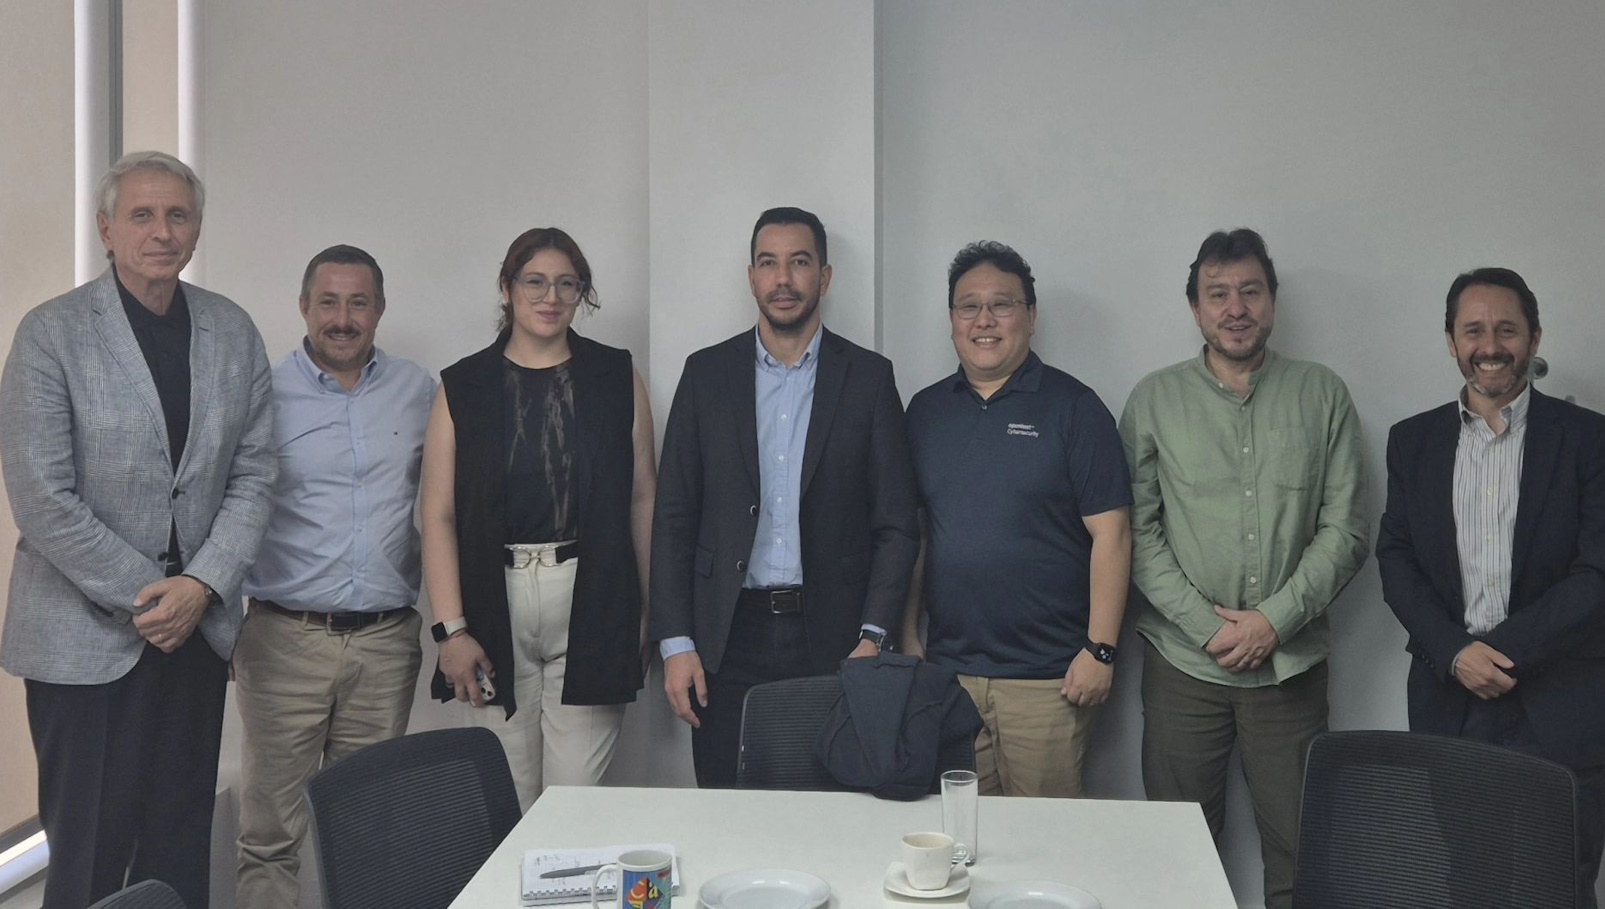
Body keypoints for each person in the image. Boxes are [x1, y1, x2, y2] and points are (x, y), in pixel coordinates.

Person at [0, 151, 275, 909]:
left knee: (179, 851)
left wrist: (202, 586)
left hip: (194, 640)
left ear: (196, 230)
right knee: (88, 857)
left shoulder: (231, 329)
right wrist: (158, 596)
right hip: (84, 644)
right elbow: (42, 497)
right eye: (142, 215)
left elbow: (255, 472)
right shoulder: (51, 333)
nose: (162, 232)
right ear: (105, 230)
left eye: (178, 215)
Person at [1118, 228, 1368, 909]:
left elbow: (1346, 529)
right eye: (1218, 294)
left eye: (1250, 291)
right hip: (1182, 664)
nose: (1235, 308)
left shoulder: (1322, 393)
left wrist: (1272, 622)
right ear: (1195, 308)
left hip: (1289, 667)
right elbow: (1136, 533)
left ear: (1272, 301)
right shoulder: (1153, 400)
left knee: (1299, 851)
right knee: (1177, 852)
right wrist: (1210, 628)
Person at [651, 206, 920, 787]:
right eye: (768, 263)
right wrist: (676, 644)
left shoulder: (869, 378)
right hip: (725, 639)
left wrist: (874, 636)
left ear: (825, 276)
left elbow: (897, 525)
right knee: (727, 806)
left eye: (799, 262)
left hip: (835, 639)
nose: (783, 279)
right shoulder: (706, 374)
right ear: (751, 277)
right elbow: (673, 517)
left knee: (830, 808)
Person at [1377, 267, 1605, 907]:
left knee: (1559, 886)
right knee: (1470, 884)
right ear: (1451, 341)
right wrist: (1456, 652)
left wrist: (1498, 653)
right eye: (1473, 330)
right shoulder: (1412, 441)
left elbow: (1597, 571)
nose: (1490, 345)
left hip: (1560, 702)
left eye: (1507, 329)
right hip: (1452, 702)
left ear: (1534, 337)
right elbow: (1396, 558)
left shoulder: (1589, 439)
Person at [421, 227, 655, 810]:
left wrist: (651, 610)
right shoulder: (462, 386)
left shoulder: (616, 376)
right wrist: (451, 631)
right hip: (489, 607)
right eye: (535, 282)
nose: (550, 297)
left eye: (566, 284)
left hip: (594, 598)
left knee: (572, 806)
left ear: (581, 293)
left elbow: (643, 497)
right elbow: (438, 515)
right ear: (507, 287)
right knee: (506, 804)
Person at [233, 245, 435, 907]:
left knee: (371, 828)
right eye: (328, 302)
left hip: (384, 643)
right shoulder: (262, 394)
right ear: (303, 307)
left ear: (380, 310)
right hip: (283, 641)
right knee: (270, 835)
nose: (342, 319)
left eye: (357, 303)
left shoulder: (420, 392)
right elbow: (225, 506)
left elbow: (450, 506)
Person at [901, 241, 1131, 798]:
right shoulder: (924, 412)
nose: (984, 320)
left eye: (1001, 305)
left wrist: (1101, 650)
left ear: (1030, 316)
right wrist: (908, 636)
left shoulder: (1075, 408)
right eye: (968, 306)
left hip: (1049, 680)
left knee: (1042, 840)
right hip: (950, 676)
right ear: (952, 320)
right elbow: (915, 534)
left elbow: (1114, 534)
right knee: (959, 836)